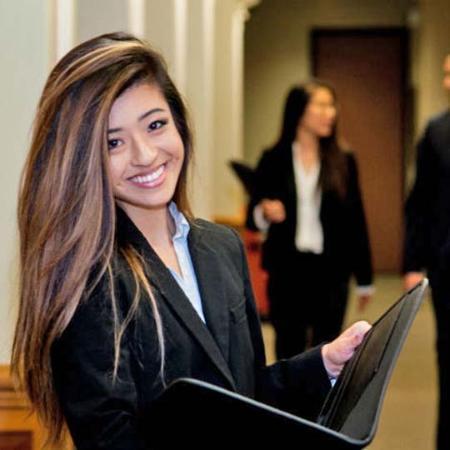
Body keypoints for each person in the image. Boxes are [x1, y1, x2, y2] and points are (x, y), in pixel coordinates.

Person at [11, 33, 370, 450]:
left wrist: (323, 364)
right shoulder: (89, 280)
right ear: (82, 158)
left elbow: (245, 396)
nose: (145, 154)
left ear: (178, 124)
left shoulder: (221, 247)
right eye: (113, 142)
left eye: (155, 124)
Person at [247, 81, 373, 360]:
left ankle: (320, 406)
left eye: (332, 105)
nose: (330, 112)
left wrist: (365, 278)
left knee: (328, 351)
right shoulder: (274, 158)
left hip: (331, 270)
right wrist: (265, 212)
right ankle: (286, 406)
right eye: (322, 105)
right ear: (299, 111)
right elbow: (253, 217)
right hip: (288, 269)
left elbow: (356, 219)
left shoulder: (344, 160)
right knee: (288, 348)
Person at [404, 53, 450, 450]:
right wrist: (413, 261)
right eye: (446, 73)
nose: (449, 81)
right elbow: (419, 202)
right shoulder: (436, 133)